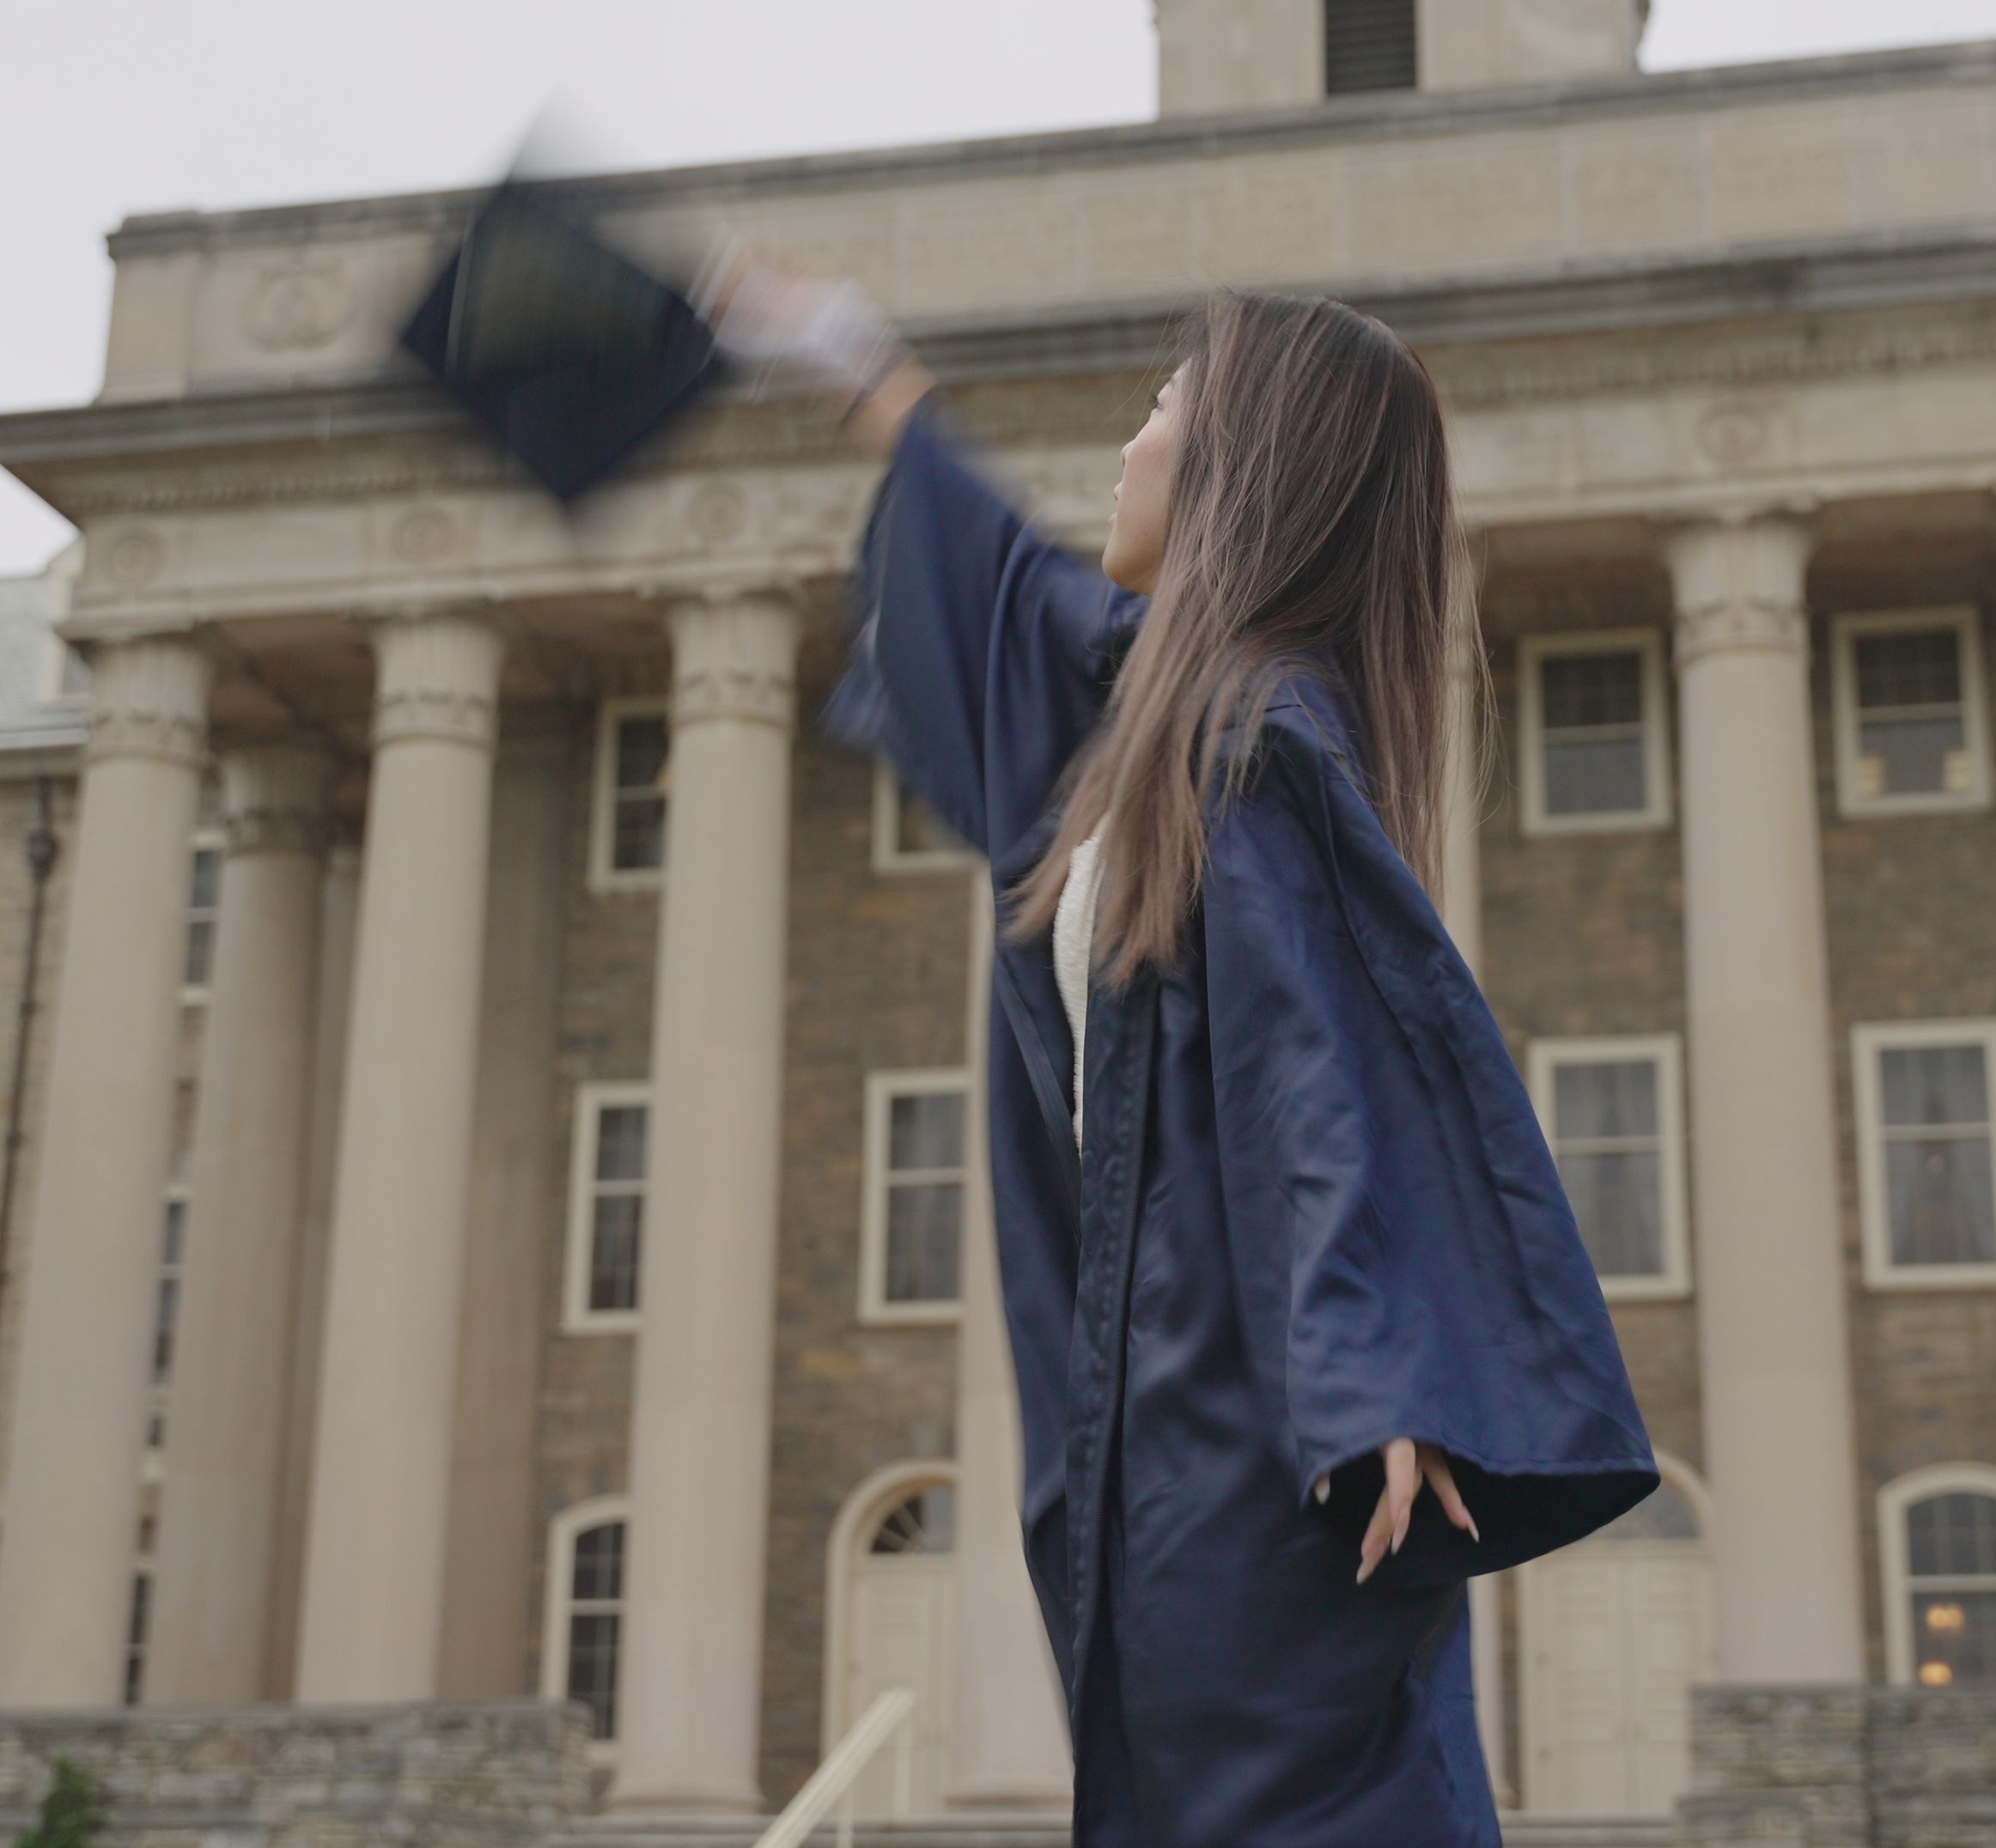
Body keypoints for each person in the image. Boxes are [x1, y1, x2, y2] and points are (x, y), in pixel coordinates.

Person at [701, 251, 1657, 1847]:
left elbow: (1327, 1056)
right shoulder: (1149, 717)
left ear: (1237, 470)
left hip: (1256, 1443)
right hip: (1153, 1434)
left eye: (1159, 412)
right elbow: (1009, 594)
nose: (1127, 446)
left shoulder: (1257, 737)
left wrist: (1375, 1367)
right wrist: (866, 373)